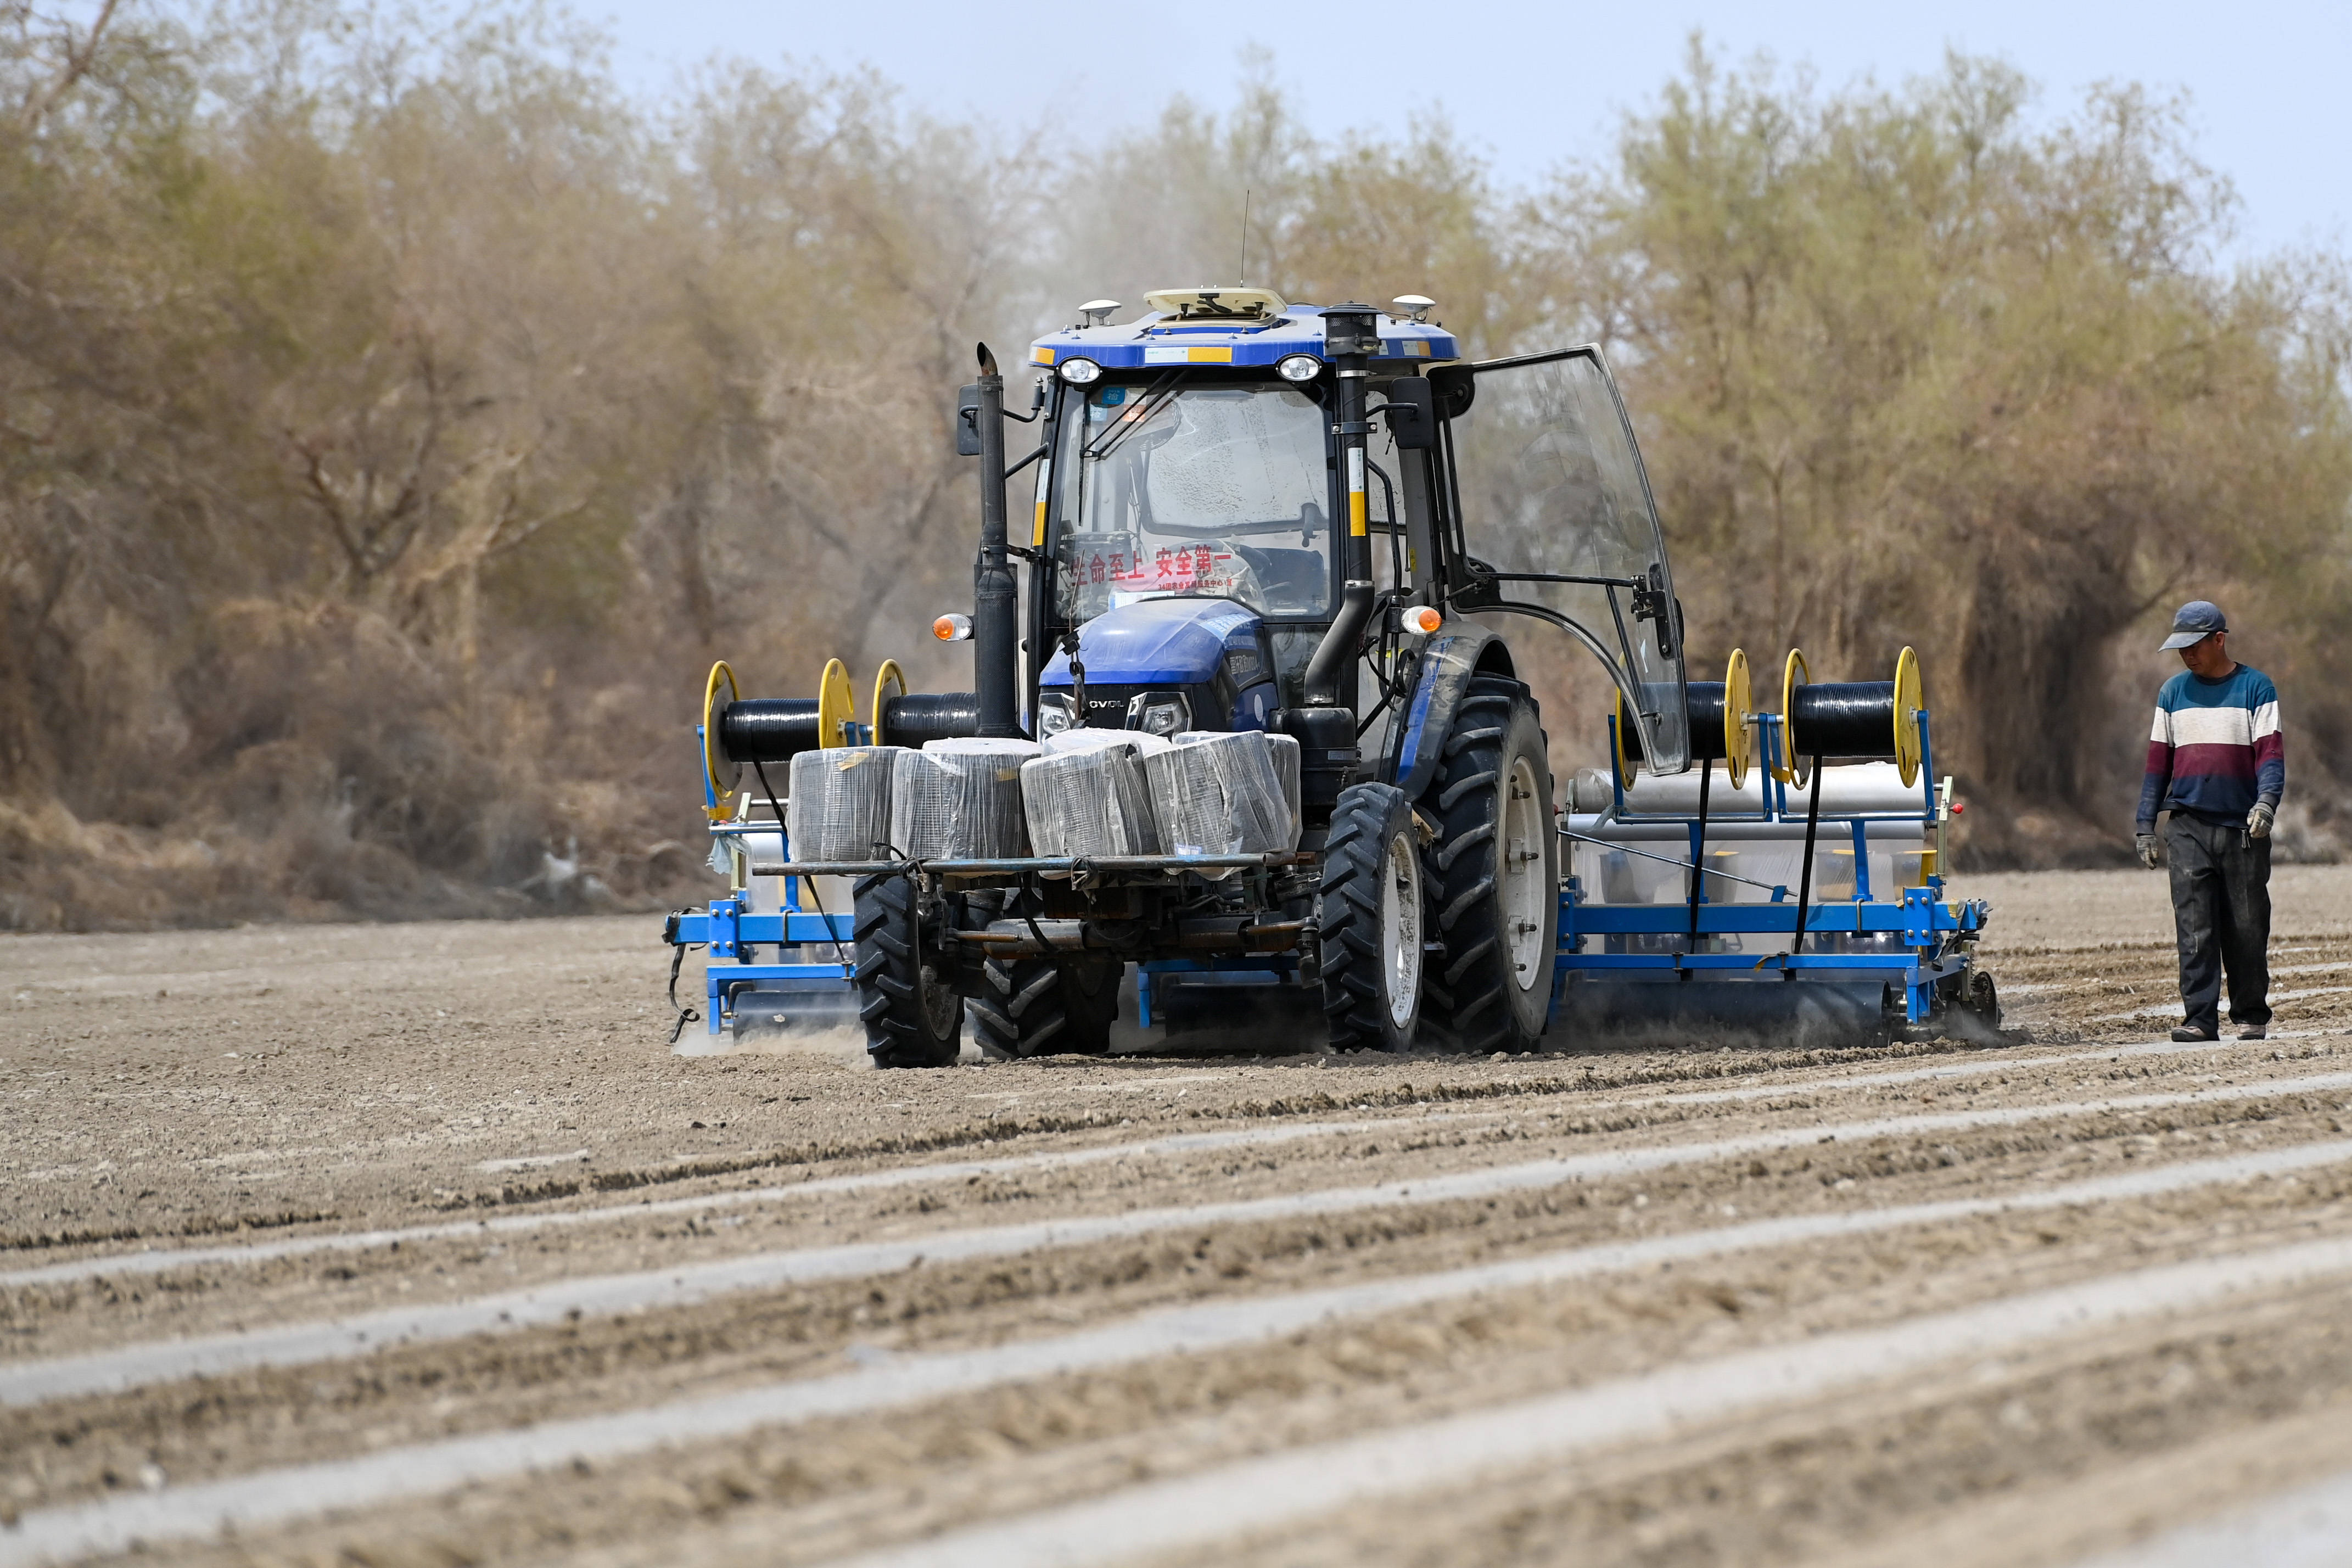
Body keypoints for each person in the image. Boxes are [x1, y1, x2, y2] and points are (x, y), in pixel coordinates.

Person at [2135, 601, 2284, 1042]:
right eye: (2181, 649)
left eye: (2194, 646)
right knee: (2195, 929)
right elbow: (2156, 766)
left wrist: (2266, 804)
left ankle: (2251, 1015)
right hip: (2187, 827)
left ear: (2219, 639)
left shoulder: (2257, 688)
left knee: (2247, 925)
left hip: (2243, 830)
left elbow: (2271, 757)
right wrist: (2146, 826)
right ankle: (2200, 1019)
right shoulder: (2172, 694)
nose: (2187, 656)